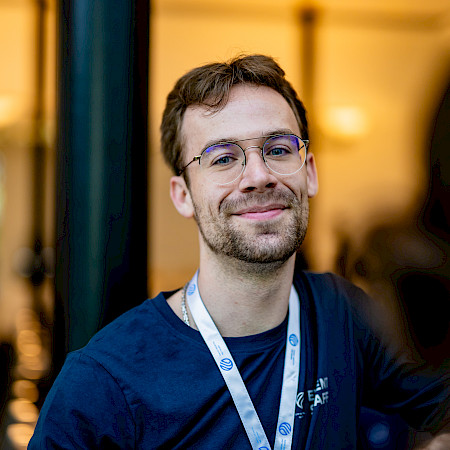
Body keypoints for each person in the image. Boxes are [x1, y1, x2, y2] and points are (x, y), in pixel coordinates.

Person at [29, 54, 448, 449]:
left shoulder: (345, 315)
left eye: (279, 150)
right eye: (223, 158)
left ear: (310, 173)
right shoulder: (100, 382)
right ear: (183, 195)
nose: (258, 176)